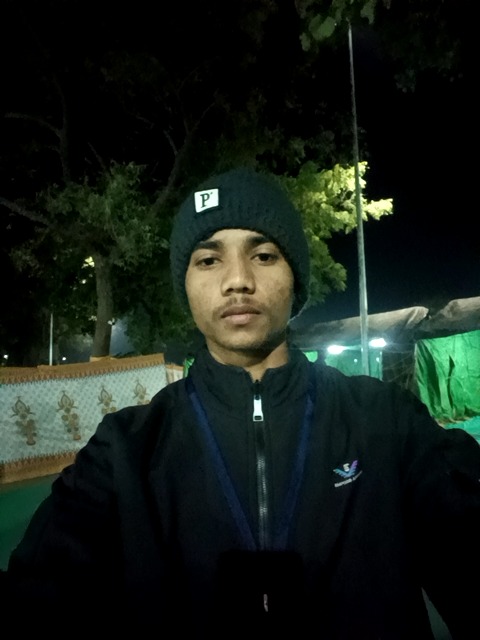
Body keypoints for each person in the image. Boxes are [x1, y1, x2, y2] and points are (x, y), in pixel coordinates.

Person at [1, 167, 479, 638]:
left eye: (264, 255)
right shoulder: (125, 450)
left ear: (295, 278)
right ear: (185, 284)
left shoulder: (386, 422)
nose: (237, 280)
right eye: (209, 260)